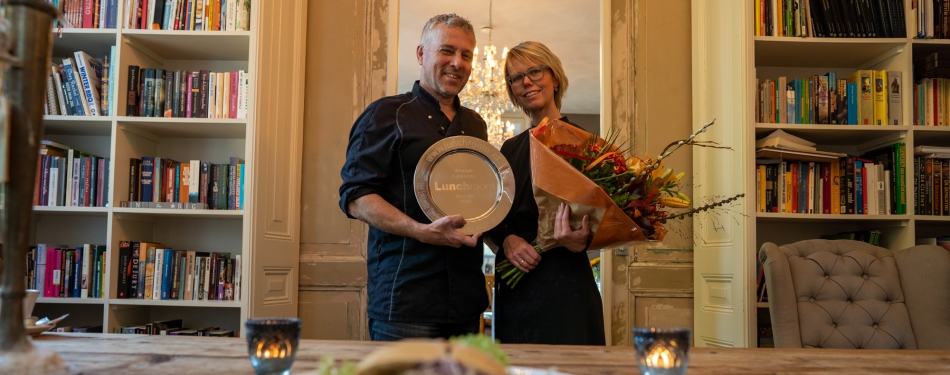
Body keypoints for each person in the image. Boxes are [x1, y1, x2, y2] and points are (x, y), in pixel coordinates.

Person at [338, 14, 489, 341]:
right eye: (447, 51)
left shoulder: (477, 124)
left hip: (466, 300)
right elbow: (355, 197)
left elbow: (483, 198)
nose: (457, 62)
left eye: (466, 55)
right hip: (405, 300)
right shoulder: (385, 114)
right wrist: (421, 231)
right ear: (422, 54)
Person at [487, 41, 606, 345]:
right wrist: (506, 239)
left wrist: (583, 240)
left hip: (566, 286)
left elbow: (607, 217)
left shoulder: (587, 144)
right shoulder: (508, 150)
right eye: (515, 78)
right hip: (516, 288)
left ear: (554, 78)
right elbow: (493, 214)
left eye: (534, 71)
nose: (526, 82)